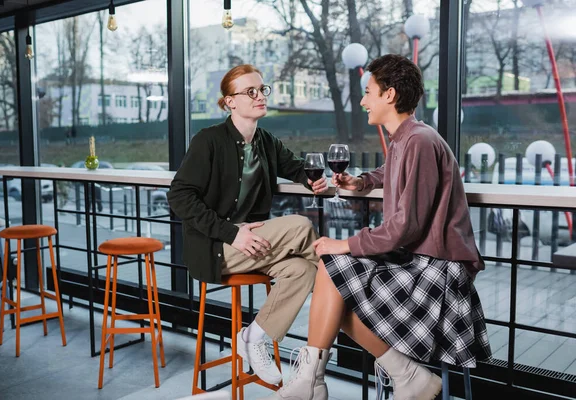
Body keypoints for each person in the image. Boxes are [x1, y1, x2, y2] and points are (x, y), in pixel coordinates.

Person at [262, 54, 492, 400]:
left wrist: (346, 245)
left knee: (332, 273)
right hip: (419, 260)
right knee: (332, 284)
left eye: (368, 91)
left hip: (437, 269)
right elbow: (392, 174)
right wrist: (362, 181)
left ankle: (314, 382)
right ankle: (391, 375)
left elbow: (405, 227)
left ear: (390, 95)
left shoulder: (419, 141)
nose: (362, 100)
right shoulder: (407, 139)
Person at [167, 64, 328, 386]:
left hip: (254, 244)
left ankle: (254, 336)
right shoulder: (208, 140)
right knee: (299, 227)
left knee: (304, 270)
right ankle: (339, 311)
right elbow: (179, 197)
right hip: (216, 247)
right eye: (250, 92)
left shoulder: (266, 141)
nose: (259, 96)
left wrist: (316, 179)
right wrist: (232, 234)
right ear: (230, 102)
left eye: (261, 90)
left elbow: (295, 167)